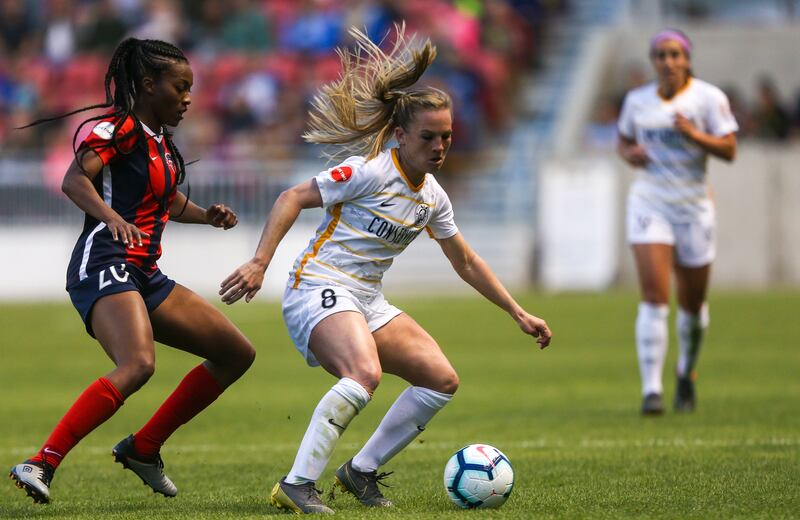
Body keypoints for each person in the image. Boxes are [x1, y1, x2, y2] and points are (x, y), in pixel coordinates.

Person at [220, 25, 552, 515]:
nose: (439, 147)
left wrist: (517, 313)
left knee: (440, 379)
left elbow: (465, 260)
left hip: (366, 299)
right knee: (363, 373)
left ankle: (360, 471)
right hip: (318, 286)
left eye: (447, 137)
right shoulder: (369, 172)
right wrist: (260, 261)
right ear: (401, 135)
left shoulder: (432, 196)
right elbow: (292, 196)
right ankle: (296, 484)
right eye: (428, 137)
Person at [9, 38, 256, 504]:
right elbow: (74, 179)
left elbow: (165, 200)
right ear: (147, 85)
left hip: (144, 272)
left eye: (191, 89)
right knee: (139, 364)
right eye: (179, 87)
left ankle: (144, 448)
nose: (188, 98)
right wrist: (112, 218)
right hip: (103, 263)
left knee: (235, 353)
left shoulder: (159, 141)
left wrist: (207, 215)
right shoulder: (118, 129)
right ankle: (41, 462)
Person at [617, 29, 737, 415]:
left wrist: (694, 134)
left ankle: (686, 371)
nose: (667, 62)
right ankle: (651, 390)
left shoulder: (709, 98)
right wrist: (630, 154)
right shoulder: (637, 101)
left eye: (674, 55)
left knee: (693, 305)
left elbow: (730, 149)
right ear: (653, 61)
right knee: (655, 297)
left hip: (694, 207)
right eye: (660, 55)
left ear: (687, 59)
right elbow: (623, 140)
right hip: (650, 201)